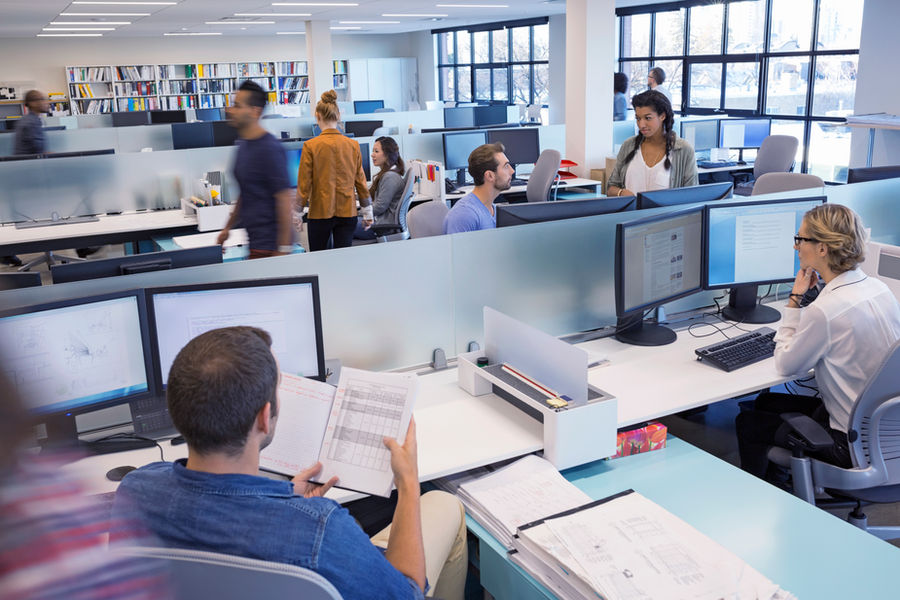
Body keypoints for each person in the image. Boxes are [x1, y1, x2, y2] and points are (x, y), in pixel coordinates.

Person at [112, 326, 468, 600]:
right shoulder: (319, 531)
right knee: (446, 504)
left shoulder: (135, 491)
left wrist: (285, 495)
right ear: (265, 418)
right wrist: (407, 483)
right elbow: (408, 593)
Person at [735, 204, 900, 481]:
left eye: (800, 239)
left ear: (822, 248)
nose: (796, 247)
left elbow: (785, 365)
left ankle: (771, 494)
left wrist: (795, 300)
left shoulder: (826, 311)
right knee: (765, 403)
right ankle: (788, 481)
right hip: (887, 433)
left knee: (748, 423)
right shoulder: (879, 289)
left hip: (849, 446)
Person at [216, 80, 294, 260]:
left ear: (255, 111)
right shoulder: (243, 145)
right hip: (255, 242)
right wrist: (227, 229)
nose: (230, 110)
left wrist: (282, 249)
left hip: (270, 247)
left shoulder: (270, 148)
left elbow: (284, 200)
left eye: (237, 106)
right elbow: (247, 192)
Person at [298, 90, 373, 251]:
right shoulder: (353, 145)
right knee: (343, 262)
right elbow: (360, 182)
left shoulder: (310, 146)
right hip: (348, 213)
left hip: (320, 215)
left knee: (319, 261)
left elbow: (304, 185)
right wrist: (368, 213)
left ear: (317, 116)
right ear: (338, 116)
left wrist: (296, 215)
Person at [606, 90, 697, 198]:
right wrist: (620, 193)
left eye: (648, 118)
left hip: (665, 214)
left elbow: (692, 196)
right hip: (630, 214)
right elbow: (611, 188)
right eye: (638, 118)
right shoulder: (628, 146)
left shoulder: (683, 150)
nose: (641, 124)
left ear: (662, 116)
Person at [3, 90, 50, 266]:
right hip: (29, 177)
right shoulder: (31, 122)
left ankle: (6, 252)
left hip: (24, 175)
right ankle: (81, 247)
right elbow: (39, 151)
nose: (45, 102)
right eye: (41, 99)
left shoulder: (32, 120)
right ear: (31, 104)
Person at [442, 142, 514, 234]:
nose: (512, 171)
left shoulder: (493, 209)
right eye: (506, 166)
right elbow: (457, 248)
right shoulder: (464, 215)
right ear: (490, 176)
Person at [353, 136, 406, 241]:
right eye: (373, 151)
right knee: (343, 221)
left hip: (380, 227)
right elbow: (371, 195)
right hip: (379, 222)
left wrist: (354, 212)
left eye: (376, 151)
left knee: (342, 223)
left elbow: (378, 208)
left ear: (387, 154)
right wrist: (355, 196)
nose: (372, 154)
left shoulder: (390, 177)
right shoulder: (389, 173)